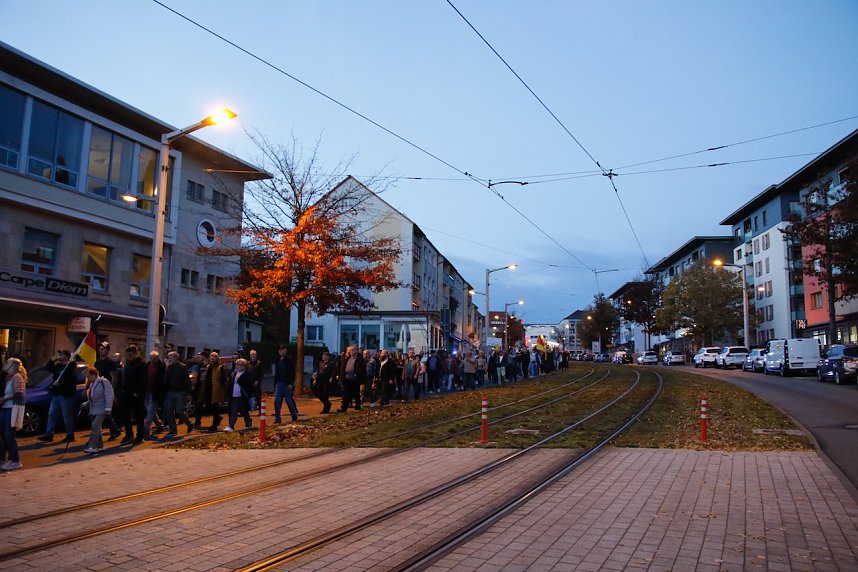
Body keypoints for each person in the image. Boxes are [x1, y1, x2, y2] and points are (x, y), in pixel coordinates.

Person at [38, 349, 78, 443]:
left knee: (66, 415)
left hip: (66, 394)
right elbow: (49, 368)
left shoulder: (71, 366)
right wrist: (52, 361)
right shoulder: (59, 366)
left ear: (67, 357)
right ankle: (49, 434)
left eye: (62, 354)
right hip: (57, 394)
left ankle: (70, 434)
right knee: (52, 414)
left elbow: (72, 380)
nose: (60, 356)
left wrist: (60, 383)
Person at [117, 344, 147, 444]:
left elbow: (143, 380)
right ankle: (129, 434)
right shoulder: (128, 363)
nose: (129, 356)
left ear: (136, 353)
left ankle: (140, 436)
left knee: (138, 416)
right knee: (123, 413)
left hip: (137, 394)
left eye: (131, 354)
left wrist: (138, 392)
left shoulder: (141, 364)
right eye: (127, 354)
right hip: (126, 392)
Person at [1, 357, 26, 470]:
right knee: (5, 434)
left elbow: (19, 393)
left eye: (8, 363)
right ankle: (9, 459)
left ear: (12, 365)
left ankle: (16, 460)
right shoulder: (10, 377)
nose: (5, 365)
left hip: (12, 408)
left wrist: (4, 398)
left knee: (9, 435)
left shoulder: (17, 377)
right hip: (6, 408)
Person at [82, 366, 113, 454]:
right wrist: (87, 403)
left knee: (95, 426)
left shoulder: (104, 382)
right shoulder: (93, 383)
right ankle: (100, 446)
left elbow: (109, 394)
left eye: (88, 376)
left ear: (94, 375)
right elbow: (93, 396)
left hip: (102, 408)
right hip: (94, 408)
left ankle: (92, 446)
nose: (88, 379)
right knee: (97, 428)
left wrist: (108, 407)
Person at [94, 341, 121, 440]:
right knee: (103, 412)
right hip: (99, 389)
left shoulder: (110, 363)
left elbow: (114, 377)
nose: (101, 351)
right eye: (100, 349)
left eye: (103, 349)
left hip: (107, 389)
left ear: (108, 350)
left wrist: (112, 391)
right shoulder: (97, 362)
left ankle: (114, 429)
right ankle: (114, 430)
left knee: (105, 411)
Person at [162, 351, 193, 435]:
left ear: (176, 358)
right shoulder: (169, 368)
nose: (169, 359)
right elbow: (165, 380)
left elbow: (187, 381)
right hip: (171, 391)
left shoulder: (182, 367)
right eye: (168, 358)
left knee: (180, 410)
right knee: (169, 410)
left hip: (180, 391)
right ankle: (173, 429)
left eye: (170, 358)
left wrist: (188, 393)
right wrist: (167, 368)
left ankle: (189, 423)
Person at [225, 358, 253, 431]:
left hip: (242, 396)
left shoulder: (247, 374)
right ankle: (231, 426)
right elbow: (230, 384)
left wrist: (239, 379)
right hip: (234, 396)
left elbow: (248, 384)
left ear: (245, 366)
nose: (240, 366)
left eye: (242, 365)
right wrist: (228, 394)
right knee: (233, 412)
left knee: (244, 411)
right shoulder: (234, 373)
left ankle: (248, 423)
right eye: (238, 364)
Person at [143, 350, 166, 439]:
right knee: (151, 411)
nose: (152, 360)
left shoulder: (162, 367)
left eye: (154, 359)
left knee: (150, 411)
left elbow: (163, 381)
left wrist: (161, 393)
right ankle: (160, 426)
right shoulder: (147, 366)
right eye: (151, 358)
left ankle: (146, 429)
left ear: (157, 358)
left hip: (156, 392)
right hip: (146, 391)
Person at [273, 345, 299, 423]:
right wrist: (274, 384)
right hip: (279, 383)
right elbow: (276, 373)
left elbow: (292, 373)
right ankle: (278, 418)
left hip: (287, 384)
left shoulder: (289, 360)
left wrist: (291, 383)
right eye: (279, 350)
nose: (281, 351)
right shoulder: (277, 360)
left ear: (286, 351)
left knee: (288, 400)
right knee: (277, 401)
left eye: (282, 350)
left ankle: (294, 415)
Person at [337, 345, 365, 413]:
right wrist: (341, 375)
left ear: (356, 351)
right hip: (346, 379)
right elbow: (343, 368)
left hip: (355, 380)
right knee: (345, 394)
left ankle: (357, 406)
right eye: (350, 350)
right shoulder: (347, 359)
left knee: (356, 393)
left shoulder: (360, 360)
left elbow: (362, 370)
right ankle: (344, 408)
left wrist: (357, 375)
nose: (351, 351)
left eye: (353, 350)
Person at [205, 352, 227, 431]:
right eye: (211, 359)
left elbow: (224, 379)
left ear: (217, 359)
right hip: (209, 389)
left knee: (215, 407)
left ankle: (214, 424)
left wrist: (223, 389)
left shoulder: (220, 367)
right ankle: (218, 418)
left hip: (216, 389)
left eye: (213, 359)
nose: (212, 361)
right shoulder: (208, 367)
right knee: (208, 406)